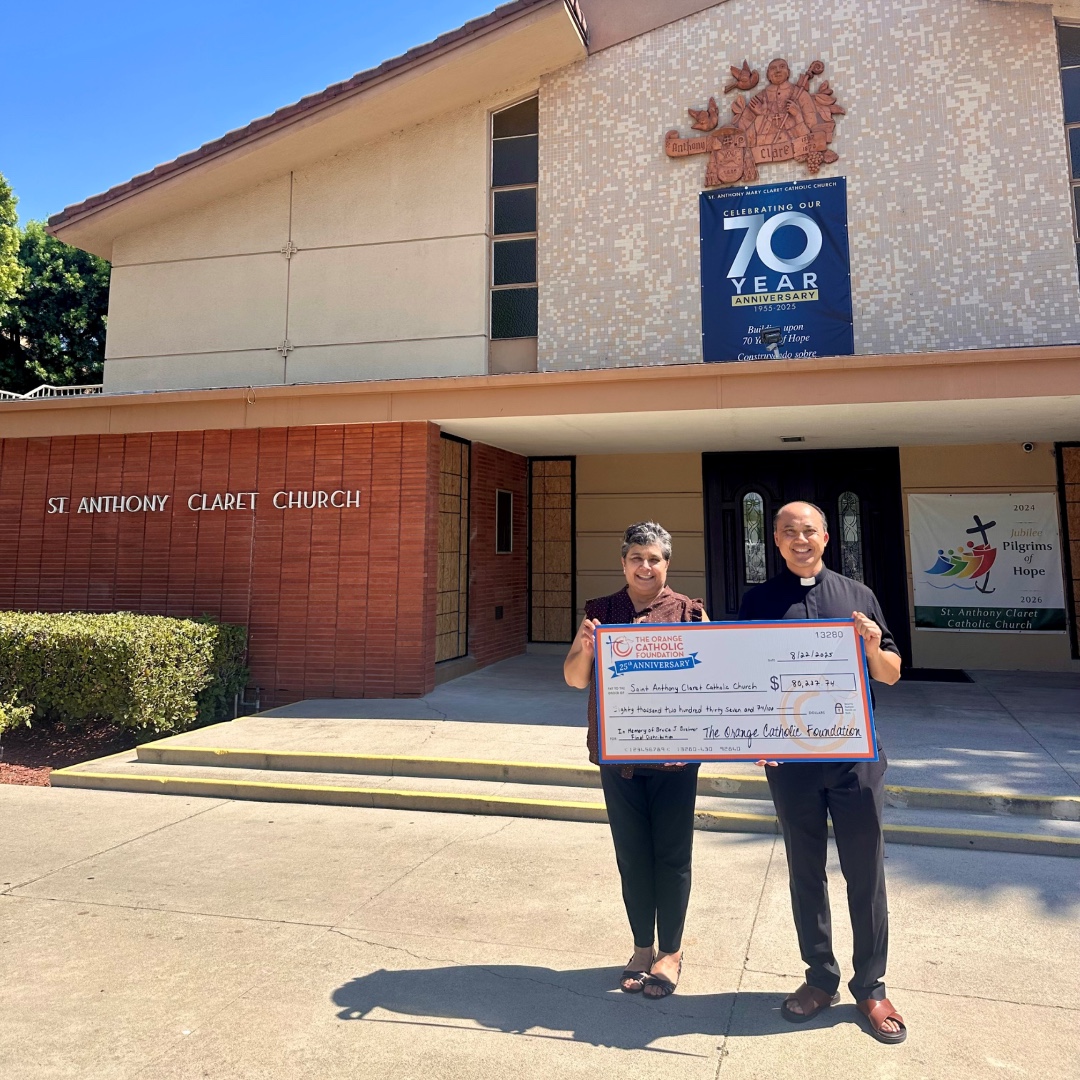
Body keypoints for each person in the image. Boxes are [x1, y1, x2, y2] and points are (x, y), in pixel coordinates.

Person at [737, 501, 907, 1045]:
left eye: (808, 530)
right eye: (787, 532)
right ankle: (820, 978)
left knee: (866, 871)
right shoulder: (758, 601)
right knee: (804, 868)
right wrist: (754, 737)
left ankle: (872, 986)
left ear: (826, 536)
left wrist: (873, 646)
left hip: (854, 759)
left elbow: (893, 674)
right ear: (776, 541)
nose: (799, 539)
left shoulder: (858, 597)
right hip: (791, 765)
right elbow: (743, 676)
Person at [563, 521, 706, 999]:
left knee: (672, 855)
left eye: (655, 559)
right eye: (636, 558)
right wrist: (585, 647)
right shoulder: (601, 613)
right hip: (619, 757)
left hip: (674, 760)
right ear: (623, 562)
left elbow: (715, 680)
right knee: (631, 856)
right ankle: (642, 947)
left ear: (667, 563)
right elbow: (574, 680)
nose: (645, 567)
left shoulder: (689, 613)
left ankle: (671, 951)